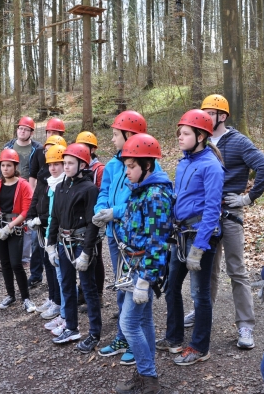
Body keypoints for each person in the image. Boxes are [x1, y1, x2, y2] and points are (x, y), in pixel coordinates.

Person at [199, 94, 264, 349]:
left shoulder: (239, 142)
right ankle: (202, 313)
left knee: (236, 270)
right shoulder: (202, 141)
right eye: (204, 113)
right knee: (207, 269)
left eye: (211, 113)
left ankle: (245, 326)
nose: (207, 117)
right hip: (206, 214)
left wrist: (247, 199)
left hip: (230, 214)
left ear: (223, 116)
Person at [156, 110, 225, 366]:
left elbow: (212, 209)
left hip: (200, 236)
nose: (179, 137)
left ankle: (199, 346)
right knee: (172, 286)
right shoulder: (184, 162)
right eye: (179, 133)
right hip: (181, 233)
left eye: (185, 133)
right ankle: (173, 339)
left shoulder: (211, 166)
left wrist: (200, 246)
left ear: (201, 136)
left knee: (200, 294)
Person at [93, 110, 161, 366]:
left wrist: (115, 212)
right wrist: (99, 211)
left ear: (129, 135)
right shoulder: (113, 165)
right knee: (122, 287)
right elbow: (105, 191)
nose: (111, 139)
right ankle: (124, 335)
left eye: (115, 134)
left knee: (137, 291)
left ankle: (135, 338)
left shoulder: (148, 164)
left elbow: (138, 202)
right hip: (115, 237)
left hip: (136, 240)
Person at [113, 134, 174, 394]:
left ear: (147, 166)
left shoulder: (156, 196)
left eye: (131, 166)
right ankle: (147, 376)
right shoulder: (140, 191)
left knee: (128, 324)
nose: (126, 172)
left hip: (143, 268)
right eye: (126, 166)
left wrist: (145, 279)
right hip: (134, 264)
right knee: (145, 320)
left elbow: (158, 242)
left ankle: (148, 377)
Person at [46, 143, 101, 353]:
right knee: (66, 286)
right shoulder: (61, 187)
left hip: (80, 244)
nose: (66, 167)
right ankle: (71, 327)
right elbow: (55, 218)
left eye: (70, 163)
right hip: (63, 242)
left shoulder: (89, 190)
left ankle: (95, 333)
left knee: (88, 288)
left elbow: (92, 224)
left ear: (82, 164)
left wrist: (87, 252)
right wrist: (50, 244)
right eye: (64, 163)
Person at [0, 149, 36, 312]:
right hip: (0, 227)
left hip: (15, 228)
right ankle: (10, 294)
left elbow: (26, 210)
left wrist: (9, 227)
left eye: (9, 165)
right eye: (3, 165)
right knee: (5, 263)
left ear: (15, 166)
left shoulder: (23, 185)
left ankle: (26, 298)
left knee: (16, 263)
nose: (5, 168)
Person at [26, 138, 67, 319]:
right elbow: (36, 198)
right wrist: (30, 216)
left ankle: (59, 303)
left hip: (52, 229)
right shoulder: (45, 176)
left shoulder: (62, 183)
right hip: (44, 227)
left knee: (58, 269)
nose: (51, 162)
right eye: (47, 152)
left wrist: (40, 220)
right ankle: (52, 298)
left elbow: (55, 211)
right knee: (48, 266)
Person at [2, 116, 43, 272]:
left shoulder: (37, 148)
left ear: (31, 132)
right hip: (11, 187)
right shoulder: (8, 146)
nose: (22, 131)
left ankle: (25, 258)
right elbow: (2, 169)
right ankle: (9, 257)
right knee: (8, 220)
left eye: (26, 129)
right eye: (20, 128)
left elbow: (40, 170)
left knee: (26, 223)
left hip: (29, 189)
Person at [42, 144, 69, 335]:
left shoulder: (64, 185)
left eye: (57, 164)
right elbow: (51, 215)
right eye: (50, 164)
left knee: (65, 279)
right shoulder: (52, 184)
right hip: (54, 235)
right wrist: (48, 238)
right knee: (60, 277)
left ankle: (67, 316)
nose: (53, 168)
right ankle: (65, 312)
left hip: (65, 238)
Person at [76, 131, 106, 305]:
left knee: (96, 255)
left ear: (93, 149)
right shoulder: (78, 166)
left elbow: (101, 191)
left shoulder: (98, 169)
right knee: (81, 253)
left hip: (94, 216)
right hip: (79, 219)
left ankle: (98, 293)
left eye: (86, 147)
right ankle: (83, 290)